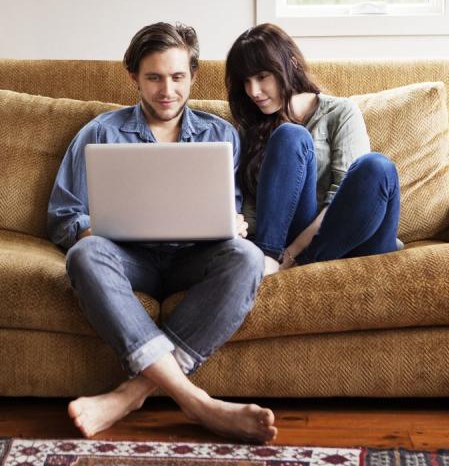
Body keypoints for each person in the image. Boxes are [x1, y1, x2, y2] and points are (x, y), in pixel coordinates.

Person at [47, 22, 277, 443]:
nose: (166, 90)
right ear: (133, 77)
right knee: (85, 254)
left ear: (193, 76)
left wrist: (238, 223)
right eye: (153, 78)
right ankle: (197, 403)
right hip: (130, 259)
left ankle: (131, 395)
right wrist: (92, 231)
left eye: (177, 77)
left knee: (246, 257)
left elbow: (244, 209)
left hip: (195, 258)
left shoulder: (221, 134)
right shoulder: (100, 132)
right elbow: (64, 215)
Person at [224, 23, 401, 274]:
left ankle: (288, 264)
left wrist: (293, 253)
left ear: (291, 63)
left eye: (262, 77)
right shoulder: (250, 127)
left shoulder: (340, 113)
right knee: (290, 135)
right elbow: (253, 209)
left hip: (353, 237)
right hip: (283, 242)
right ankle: (266, 258)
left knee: (377, 167)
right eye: (246, 81)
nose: (253, 91)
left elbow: (343, 199)